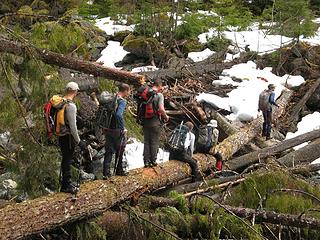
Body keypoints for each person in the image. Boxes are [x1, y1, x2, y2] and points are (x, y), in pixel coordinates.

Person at [59, 82, 86, 194]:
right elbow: (73, 127)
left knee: (65, 157)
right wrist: (79, 141)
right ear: (75, 91)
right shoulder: (71, 106)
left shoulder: (60, 101)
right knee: (68, 159)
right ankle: (67, 185)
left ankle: (65, 183)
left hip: (60, 134)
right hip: (68, 136)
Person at [103, 83, 130, 179]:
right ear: (125, 91)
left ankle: (106, 173)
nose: (129, 93)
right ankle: (119, 170)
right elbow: (119, 115)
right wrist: (123, 128)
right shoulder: (121, 101)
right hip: (116, 130)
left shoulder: (111, 98)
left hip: (107, 128)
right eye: (128, 91)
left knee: (109, 151)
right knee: (120, 149)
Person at [142, 79, 169, 167]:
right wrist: (166, 117)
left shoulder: (146, 94)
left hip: (145, 121)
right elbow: (161, 109)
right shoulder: (159, 95)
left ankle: (146, 161)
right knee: (154, 142)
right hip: (155, 122)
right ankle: (153, 161)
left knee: (146, 141)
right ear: (160, 86)